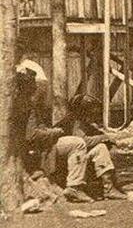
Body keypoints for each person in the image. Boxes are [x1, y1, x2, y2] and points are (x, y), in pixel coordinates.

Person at [23, 68, 95, 203]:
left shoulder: (29, 104)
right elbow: (32, 135)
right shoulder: (29, 107)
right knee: (78, 143)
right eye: (39, 86)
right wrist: (54, 132)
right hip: (39, 149)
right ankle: (75, 186)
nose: (42, 91)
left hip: (40, 146)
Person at [55, 94, 128, 200]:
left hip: (77, 160)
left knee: (102, 148)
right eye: (91, 111)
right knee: (101, 148)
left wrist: (107, 140)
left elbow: (97, 135)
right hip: (65, 165)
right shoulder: (74, 122)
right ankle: (100, 188)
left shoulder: (83, 122)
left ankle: (109, 188)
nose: (94, 114)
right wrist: (104, 137)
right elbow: (84, 141)